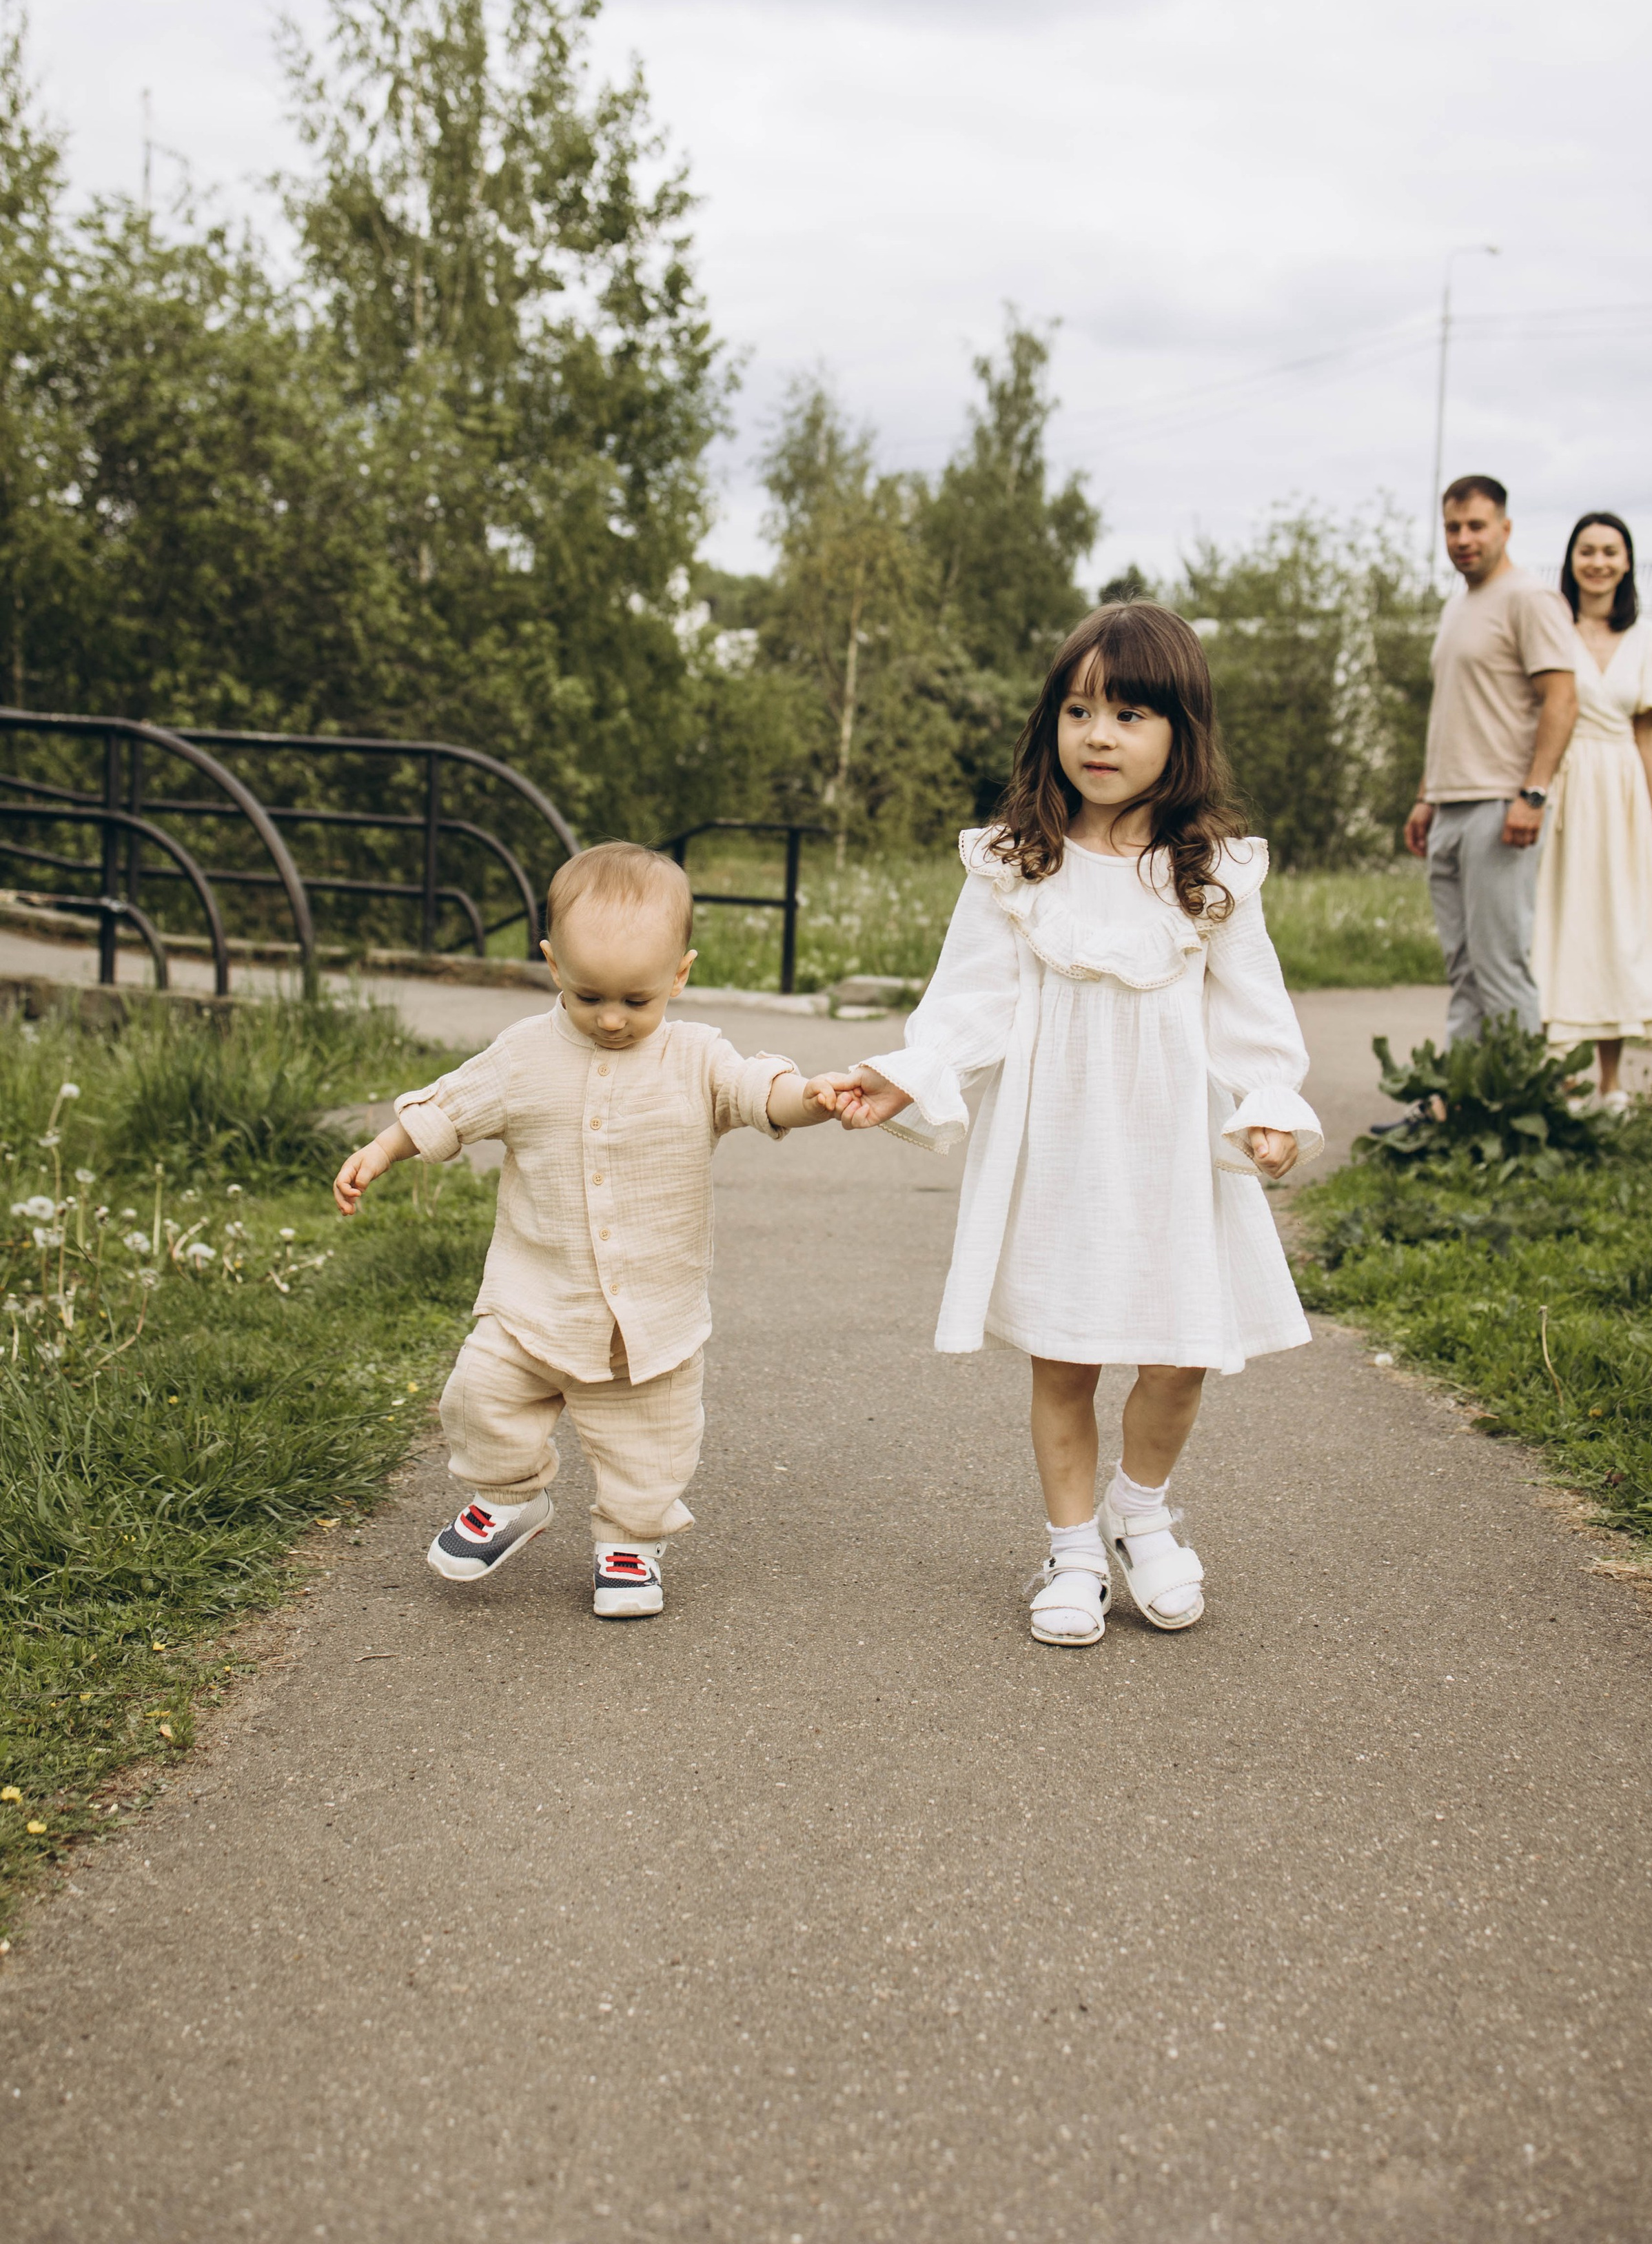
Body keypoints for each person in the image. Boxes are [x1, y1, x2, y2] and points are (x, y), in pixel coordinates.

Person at [821, 600, 1321, 1650]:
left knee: (1181, 1353)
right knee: (1066, 1352)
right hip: (1059, 1148)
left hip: (1176, 1151)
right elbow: (969, 1002)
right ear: (1052, 720)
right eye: (1081, 709)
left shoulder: (1214, 874)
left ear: (1181, 733)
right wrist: (908, 1075)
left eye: (1131, 713)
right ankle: (1073, 1546)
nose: (1100, 735)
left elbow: (1255, 1014)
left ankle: (1141, 1509)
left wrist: (1271, 1104)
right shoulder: (1018, 863)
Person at [332, 841, 839, 1619]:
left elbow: (756, 1092)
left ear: (679, 973)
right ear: (552, 965)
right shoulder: (524, 1053)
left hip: (651, 1316)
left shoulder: (695, 1056)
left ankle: (632, 1542)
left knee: (652, 1443)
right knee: (480, 1395)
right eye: (587, 995)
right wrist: (383, 1148)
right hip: (534, 1298)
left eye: (637, 1001)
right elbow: (452, 1105)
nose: (611, 1018)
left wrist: (811, 1096)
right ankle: (506, 1499)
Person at [1404, 476, 1581, 1044]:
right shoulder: (1459, 606)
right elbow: (1453, 711)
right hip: (1450, 806)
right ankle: (1463, 1107)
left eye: (1476, 525)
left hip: (1501, 805)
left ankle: (1519, 1115)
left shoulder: (1530, 598)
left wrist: (1533, 793)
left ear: (1505, 528)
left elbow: (1563, 698)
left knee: (1501, 967)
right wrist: (1425, 797)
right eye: (1453, 527)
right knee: (1463, 968)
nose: (1463, 538)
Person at [1531, 511, 1652, 1109]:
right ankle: (1562, 1075)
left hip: (1621, 789)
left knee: (1621, 925)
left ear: (1626, 563)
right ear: (1571, 561)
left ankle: (1612, 1082)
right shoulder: (1553, 629)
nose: (1598, 561)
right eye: (1587, 550)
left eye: (1610, 551)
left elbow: (1648, 734)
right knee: (1560, 920)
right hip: (1565, 785)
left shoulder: (1651, 640)